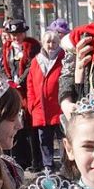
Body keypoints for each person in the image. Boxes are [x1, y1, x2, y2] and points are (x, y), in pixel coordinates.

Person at [0, 19, 42, 173]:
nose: (16, 37)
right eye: (14, 34)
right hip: (12, 89)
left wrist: (20, 81)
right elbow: (3, 67)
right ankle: (18, 158)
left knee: (28, 126)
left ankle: (33, 159)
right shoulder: (6, 48)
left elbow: (32, 66)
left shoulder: (32, 46)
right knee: (14, 123)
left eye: (19, 34)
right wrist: (9, 80)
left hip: (27, 89)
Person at [26, 29, 64, 171]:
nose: (51, 45)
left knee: (62, 138)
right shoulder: (36, 61)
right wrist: (31, 104)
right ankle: (48, 165)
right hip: (41, 108)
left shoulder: (63, 58)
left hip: (58, 107)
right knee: (44, 140)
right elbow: (30, 83)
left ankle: (65, 164)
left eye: (54, 42)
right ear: (43, 43)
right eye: (48, 42)